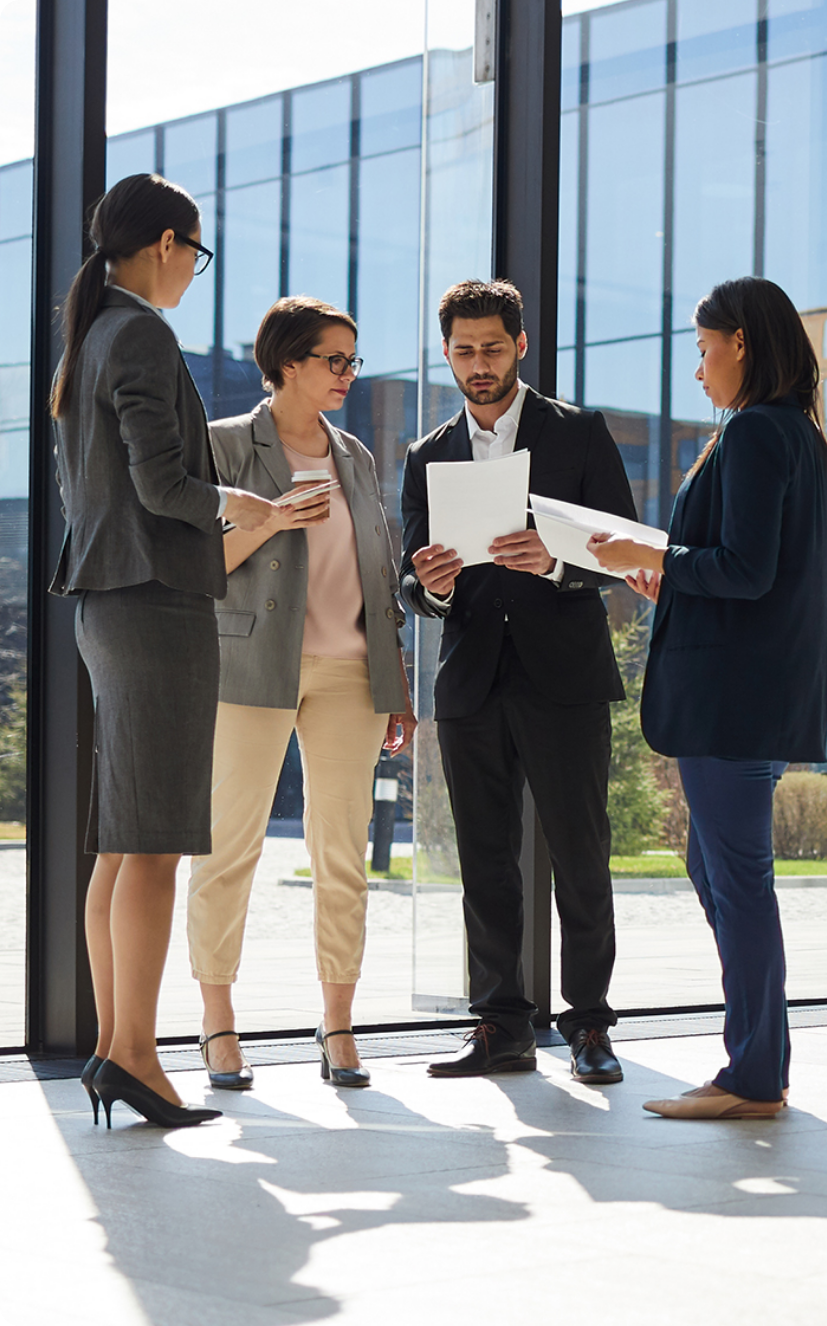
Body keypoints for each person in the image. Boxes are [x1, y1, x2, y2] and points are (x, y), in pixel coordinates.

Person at [48, 173, 277, 1128]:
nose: (194, 271)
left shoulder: (92, 334)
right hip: (154, 604)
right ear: (169, 244)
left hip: (111, 602)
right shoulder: (138, 330)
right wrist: (241, 505)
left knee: (121, 843)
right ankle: (136, 1055)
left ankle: (115, 1049)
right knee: (153, 847)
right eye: (196, 252)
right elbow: (161, 482)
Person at [591, 276, 827, 1119]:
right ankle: (756, 1059)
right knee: (719, 868)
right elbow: (815, 585)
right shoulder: (809, 444)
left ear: (740, 343)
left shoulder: (755, 438)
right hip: (765, 695)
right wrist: (680, 584)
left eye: (704, 351)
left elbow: (745, 570)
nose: (699, 371)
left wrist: (652, 554)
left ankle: (754, 1076)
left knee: (738, 880)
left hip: (733, 700)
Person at [400, 279, 636, 1083]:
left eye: (492, 348)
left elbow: (620, 551)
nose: (478, 365)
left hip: (563, 678)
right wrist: (428, 582)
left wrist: (557, 559)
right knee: (484, 863)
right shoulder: (426, 454)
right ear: (446, 354)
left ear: (521, 345)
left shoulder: (578, 433)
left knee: (581, 856)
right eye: (463, 351)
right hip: (471, 685)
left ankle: (592, 1027)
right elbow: (412, 582)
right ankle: (500, 1026)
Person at [186, 296, 417, 1090]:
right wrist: (272, 521)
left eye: (353, 361)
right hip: (249, 669)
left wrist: (397, 682)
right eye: (335, 360)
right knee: (229, 849)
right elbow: (194, 567)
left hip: (352, 673)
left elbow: (378, 574)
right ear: (287, 362)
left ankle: (340, 1027)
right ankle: (218, 1027)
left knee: (342, 853)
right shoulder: (222, 446)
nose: (349, 374)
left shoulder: (353, 453)